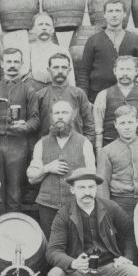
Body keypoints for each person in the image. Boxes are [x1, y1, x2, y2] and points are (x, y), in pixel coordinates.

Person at [0, 47, 39, 214]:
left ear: (22, 64)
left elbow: (35, 119)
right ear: (2, 64)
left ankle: (12, 229)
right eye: (9, 61)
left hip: (17, 145)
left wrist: (25, 126)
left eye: (16, 62)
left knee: (15, 191)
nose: (12, 65)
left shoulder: (29, 90)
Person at [27, 100, 95, 238]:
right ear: (51, 116)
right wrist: (47, 168)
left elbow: (92, 176)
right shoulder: (41, 143)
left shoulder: (84, 143)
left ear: (73, 115)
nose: (60, 116)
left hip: (76, 205)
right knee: (50, 244)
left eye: (64, 113)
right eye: (56, 113)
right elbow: (32, 178)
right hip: (48, 206)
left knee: (76, 244)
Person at [97, 105, 138, 217]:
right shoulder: (106, 151)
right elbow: (102, 184)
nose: (127, 127)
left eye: (130, 122)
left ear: (137, 122)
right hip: (119, 203)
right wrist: (105, 210)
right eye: (122, 123)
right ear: (115, 125)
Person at [77, 0, 138, 102]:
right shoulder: (93, 40)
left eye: (118, 11)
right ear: (104, 14)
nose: (114, 15)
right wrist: (84, 99)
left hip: (128, 97)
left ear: (124, 14)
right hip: (98, 96)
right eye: (110, 11)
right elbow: (84, 72)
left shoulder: (134, 39)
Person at [93, 56, 138, 150]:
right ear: (115, 71)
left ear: (136, 71)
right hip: (111, 149)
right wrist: (99, 153)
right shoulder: (103, 95)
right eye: (121, 69)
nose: (125, 73)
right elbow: (98, 130)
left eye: (129, 69)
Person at [34, 53, 95, 145]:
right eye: (55, 67)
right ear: (49, 70)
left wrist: (84, 146)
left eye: (64, 67)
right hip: (48, 149)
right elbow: (34, 126)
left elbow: (89, 124)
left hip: (75, 148)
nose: (60, 71)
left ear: (69, 70)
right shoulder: (40, 95)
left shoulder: (79, 94)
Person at [25, 12, 75, 92]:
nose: (44, 27)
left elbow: (71, 80)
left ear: (52, 29)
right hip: (33, 94)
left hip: (58, 92)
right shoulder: (27, 51)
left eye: (47, 24)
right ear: (33, 29)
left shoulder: (62, 51)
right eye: (40, 24)